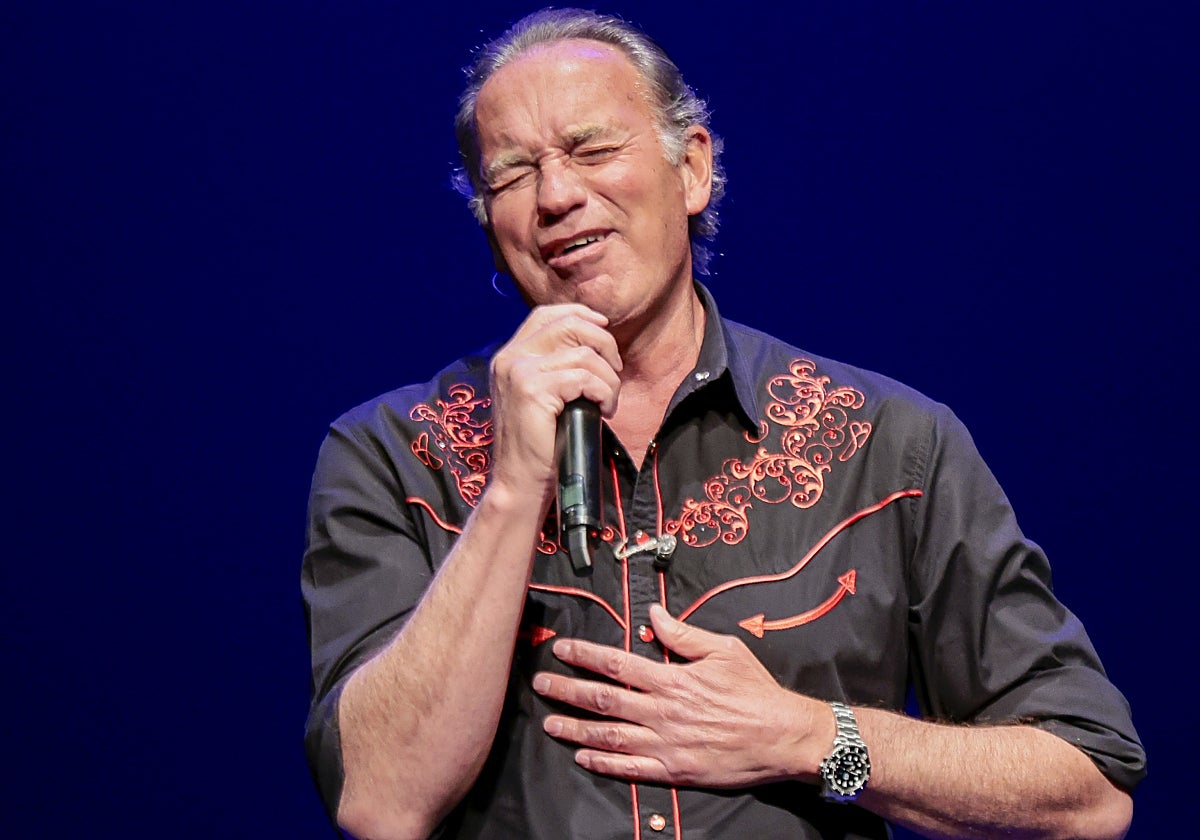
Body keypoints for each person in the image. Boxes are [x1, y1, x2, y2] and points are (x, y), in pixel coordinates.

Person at [302, 8, 1145, 839]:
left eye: (593, 148)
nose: (557, 195)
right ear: (491, 228)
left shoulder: (891, 445)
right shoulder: (393, 455)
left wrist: (814, 741)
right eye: (513, 175)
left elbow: (1088, 790)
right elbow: (382, 803)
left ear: (693, 168)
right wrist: (516, 484)